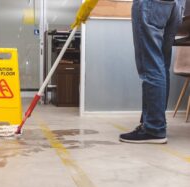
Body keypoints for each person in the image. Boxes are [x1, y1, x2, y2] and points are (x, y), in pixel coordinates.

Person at [73, 0, 186, 144]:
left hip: (152, 4)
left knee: (151, 65)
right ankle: (154, 123)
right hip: (176, 5)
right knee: (161, 65)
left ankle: (154, 129)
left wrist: (89, 3)